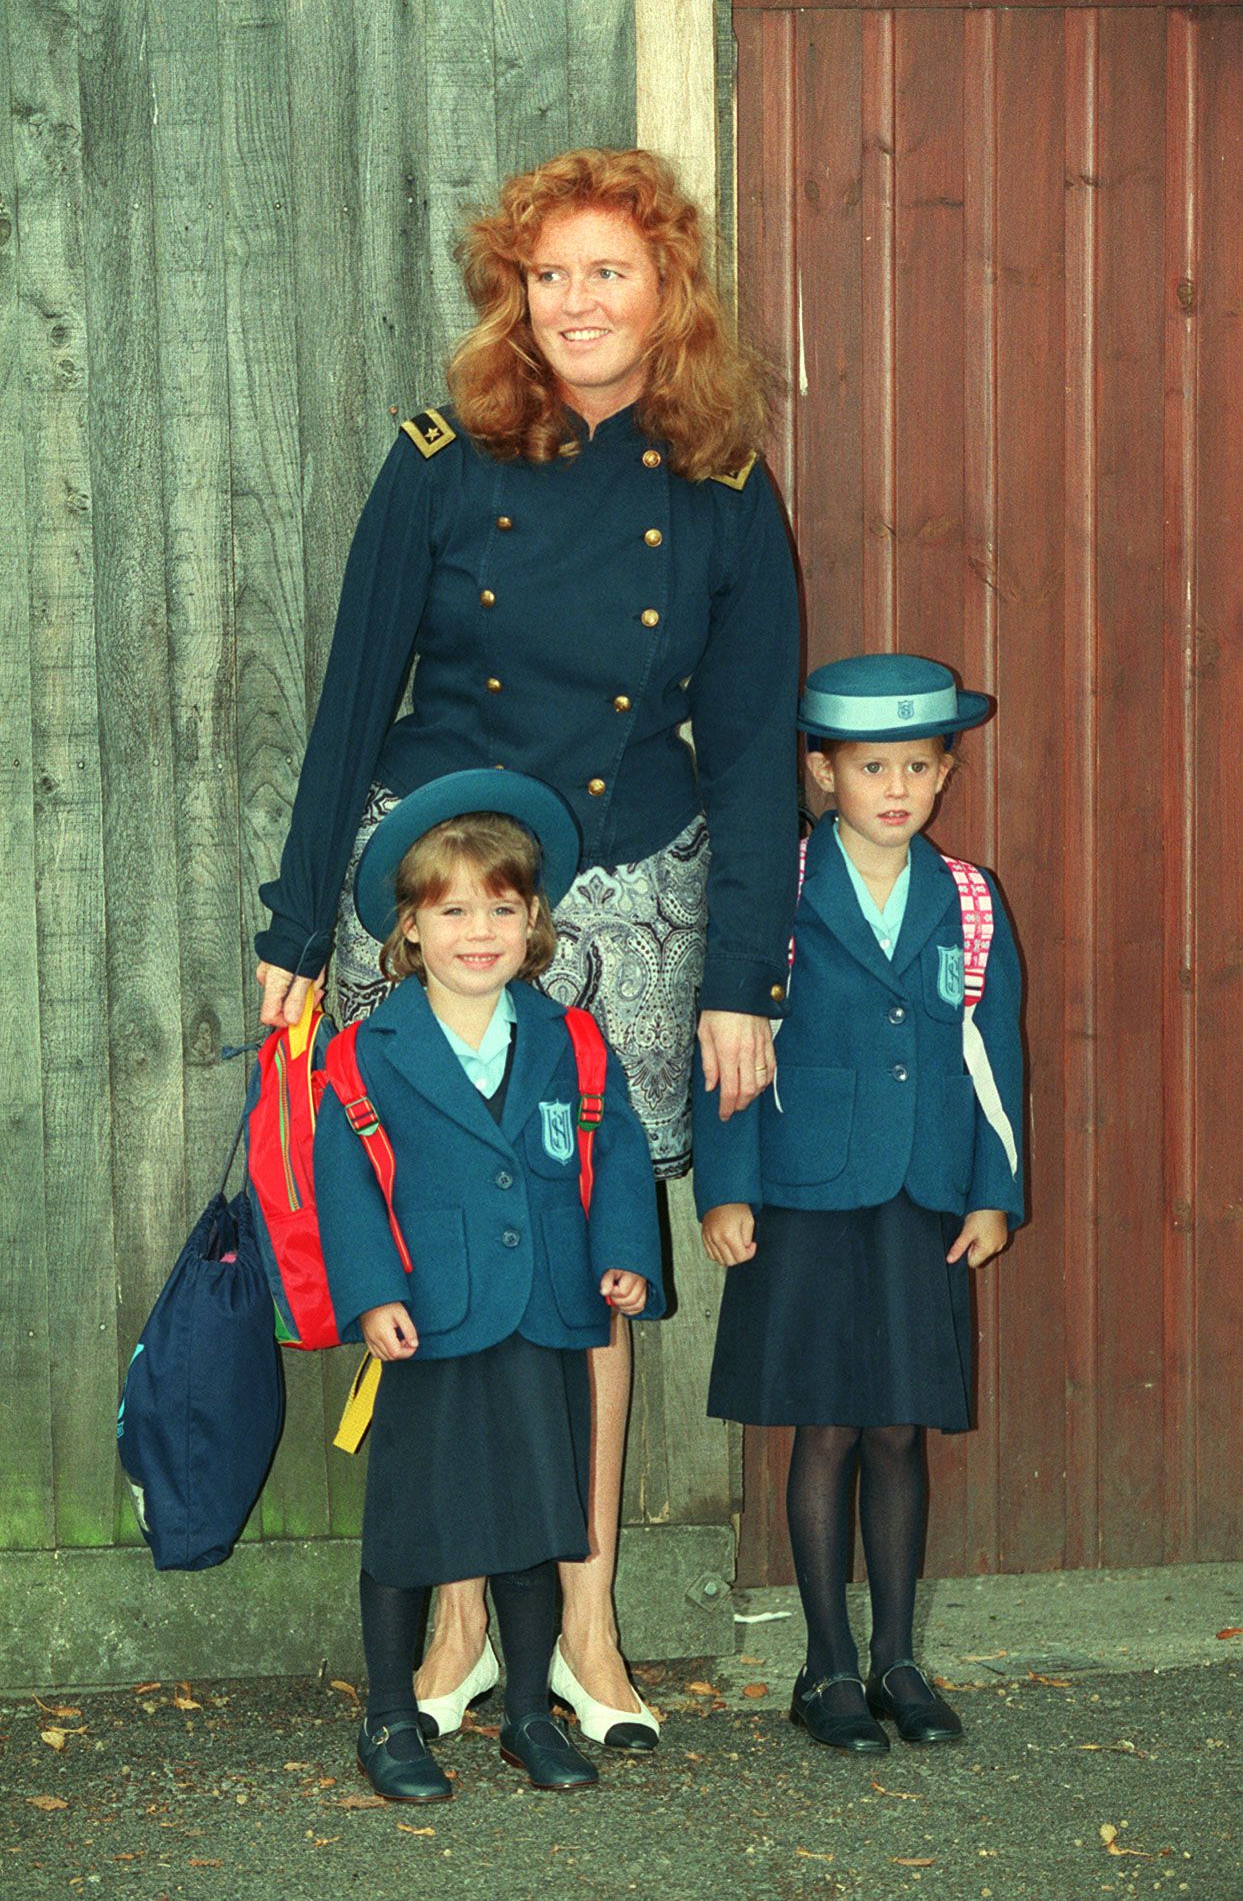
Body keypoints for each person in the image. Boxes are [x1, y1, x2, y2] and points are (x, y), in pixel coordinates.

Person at [253, 147, 800, 1740]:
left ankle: (581, 1622)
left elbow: (757, 741)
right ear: (515, 289)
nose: (573, 301)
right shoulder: (439, 458)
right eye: (546, 273)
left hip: (632, 889)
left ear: (666, 294)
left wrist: (738, 978)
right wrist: (300, 919)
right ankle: (444, 1625)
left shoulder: (721, 488)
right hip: (446, 879)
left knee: (590, 1272)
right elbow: (352, 695)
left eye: (607, 272)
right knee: (424, 1250)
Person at [692, 654, 1025, 1753]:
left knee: (897, 1429)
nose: (897, 787)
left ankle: (897, 1659)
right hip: (802, 1197)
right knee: (824, 1428)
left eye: (919, 767)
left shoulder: (967, 902)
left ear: (943, 774)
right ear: (823, 771)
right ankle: (824, 1664)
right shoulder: (774, 891)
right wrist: (726, 1186)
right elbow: (732, 1047)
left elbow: (993, 1057)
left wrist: (993, 1193)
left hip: (920, 1199)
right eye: (871, 765)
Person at [314, 770, 665, 1798]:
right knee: (412, 1524)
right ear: (409, 930)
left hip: (548, 1311)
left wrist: (625, 1254)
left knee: (532, 1517)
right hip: (426, 1319)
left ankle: (525, 1712)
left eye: (501, 909)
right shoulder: (366, 1054)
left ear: (533, 922)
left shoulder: (571, 1041)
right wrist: (374, 1292)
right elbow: (346, 1189)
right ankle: (389, 1718)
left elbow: (619, 1153)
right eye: (452, 909)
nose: (480, 931)